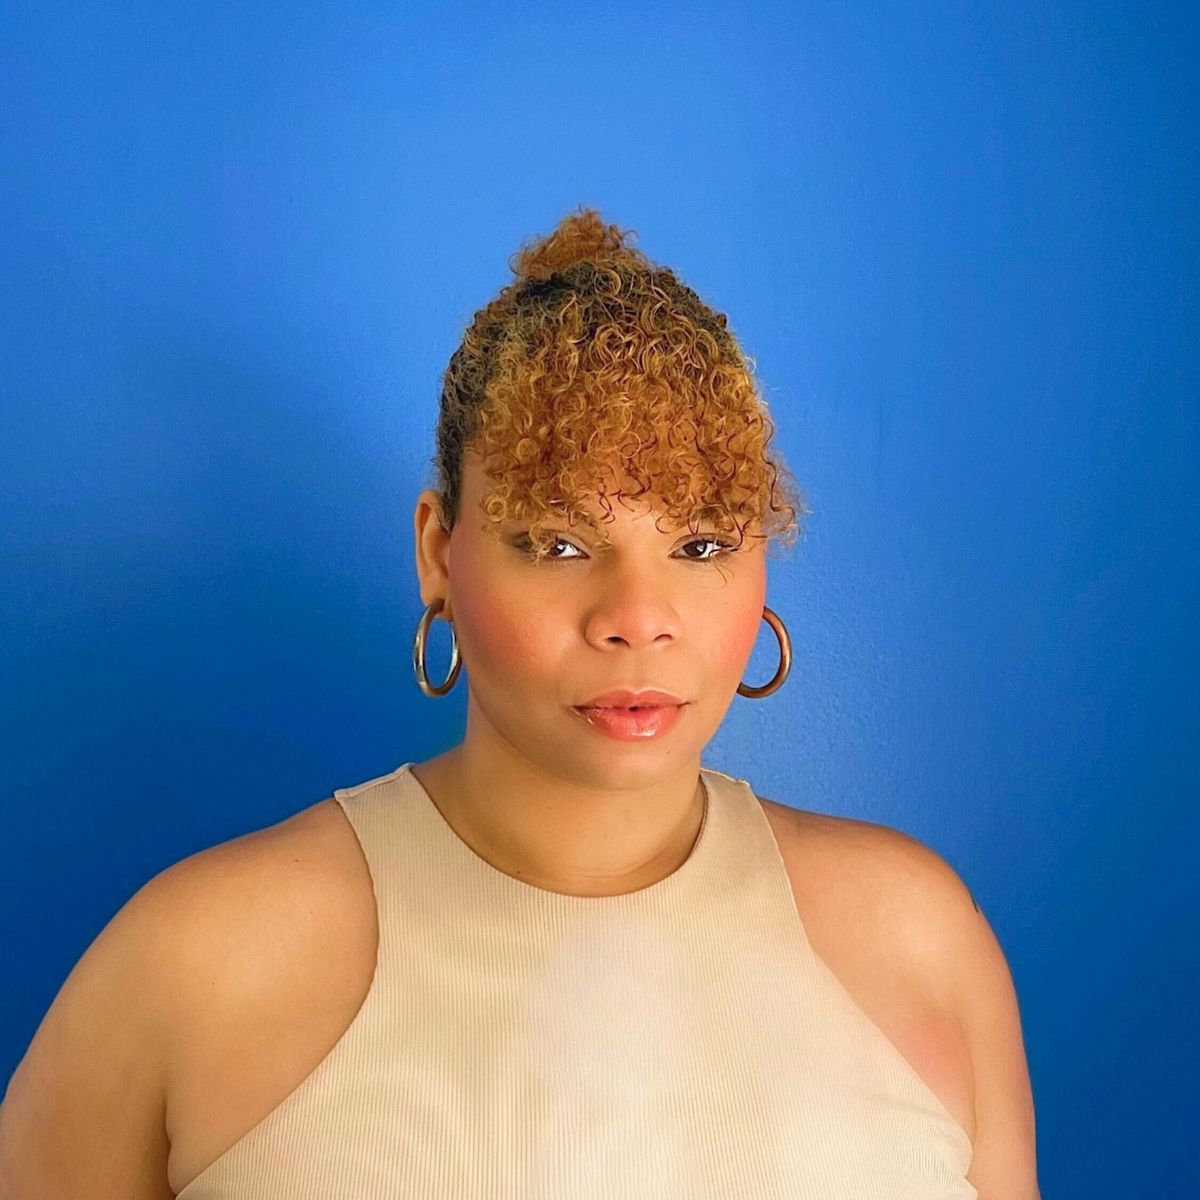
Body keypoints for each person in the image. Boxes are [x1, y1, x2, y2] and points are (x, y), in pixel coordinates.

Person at [0, 207, 1039, 1198]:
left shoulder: (921, 942)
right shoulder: (194, 961)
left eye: (701, 543)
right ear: (435, 553)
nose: (638, 617)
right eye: (558, 543)